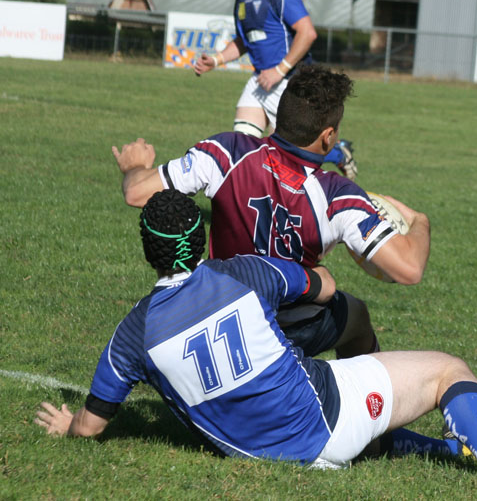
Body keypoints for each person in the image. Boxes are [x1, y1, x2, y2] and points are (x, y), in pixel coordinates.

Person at [33, 189, 477, 481]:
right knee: (448, 368)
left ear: (146, 249)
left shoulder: (131, 335)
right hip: (325, 421)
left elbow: (92, 426)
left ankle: (445, 451)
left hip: (260, 459)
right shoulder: (243, 272)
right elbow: (325, 288)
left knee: (363, 417)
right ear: (200, 238)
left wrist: (68, 427)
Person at [112, 65, 429, 359]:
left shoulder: (227, 152)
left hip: (220, 315)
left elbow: (136, 191)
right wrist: (420, 222)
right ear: (329, 136)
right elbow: (409, 269)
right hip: (291, 326)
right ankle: (366, 396)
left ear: (280, 115)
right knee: (356, 316)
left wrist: (135, 167)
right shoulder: (339, 196)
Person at [191, 0, 357, 179]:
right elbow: (244, 41)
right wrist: (215, 60)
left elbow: (307, 33)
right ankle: (248, 196)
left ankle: (338, 153)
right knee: (242, 147)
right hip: (261, 81)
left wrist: (279, 71)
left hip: (290, 82)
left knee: (290, 154)